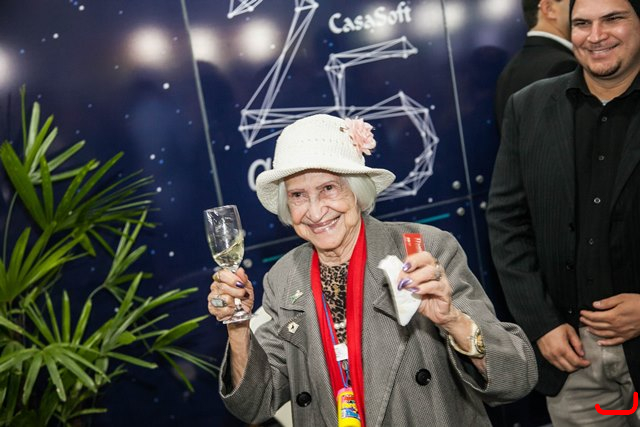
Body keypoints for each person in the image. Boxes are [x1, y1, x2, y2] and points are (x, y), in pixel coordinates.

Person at [207, 113, 537, 426]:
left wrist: (452, 320)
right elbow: (255, 404)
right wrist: (238, 327)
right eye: (298, 195)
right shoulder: (283, 277)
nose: (316, 212)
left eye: (328, 188)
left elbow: (517, 378)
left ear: (357, 191)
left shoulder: (424, 249)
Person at [487, 0, 640, 424]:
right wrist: (541, 324)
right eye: (582, 23)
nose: (596, 35)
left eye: (613, 19)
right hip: (573, 358)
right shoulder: (529, 106)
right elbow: (507, 223)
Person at [495, 0, 577, 130]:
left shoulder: (509, 70)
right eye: (573, 3)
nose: (580, 8)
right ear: (549, 9)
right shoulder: (564, 66)